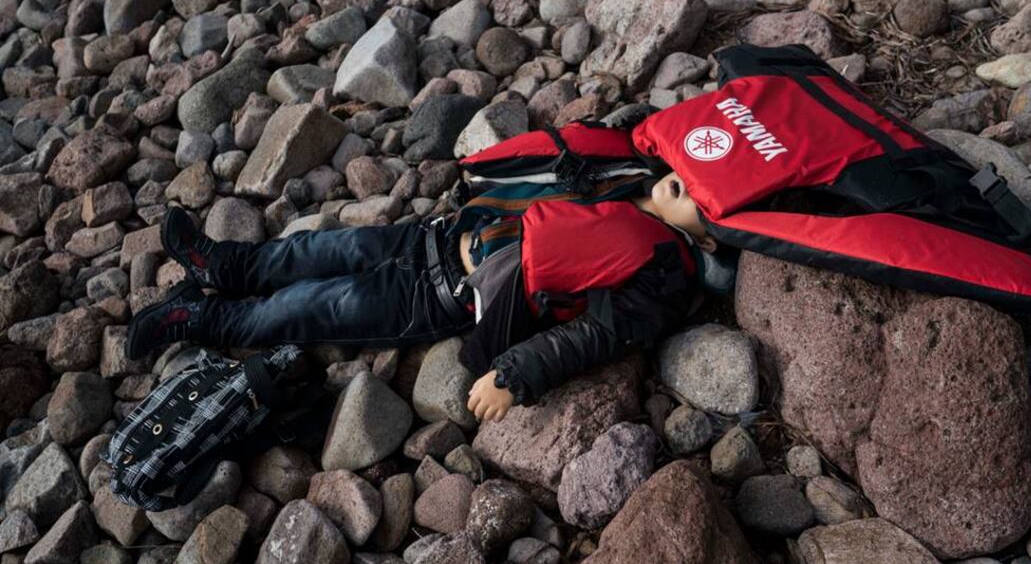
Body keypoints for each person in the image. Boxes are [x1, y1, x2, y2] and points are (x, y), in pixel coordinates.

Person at [125, 169, 719, 423]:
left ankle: (202, 318)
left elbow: (593, 336)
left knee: (309, 308)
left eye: (701, 195)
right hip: (430, 235)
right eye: (693, 170)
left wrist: (512, 375)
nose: (687, 181)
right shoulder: (627, 173)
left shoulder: (663, 272)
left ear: (712, 235)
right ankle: (220, 264)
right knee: (313, 250)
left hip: (436, 296)